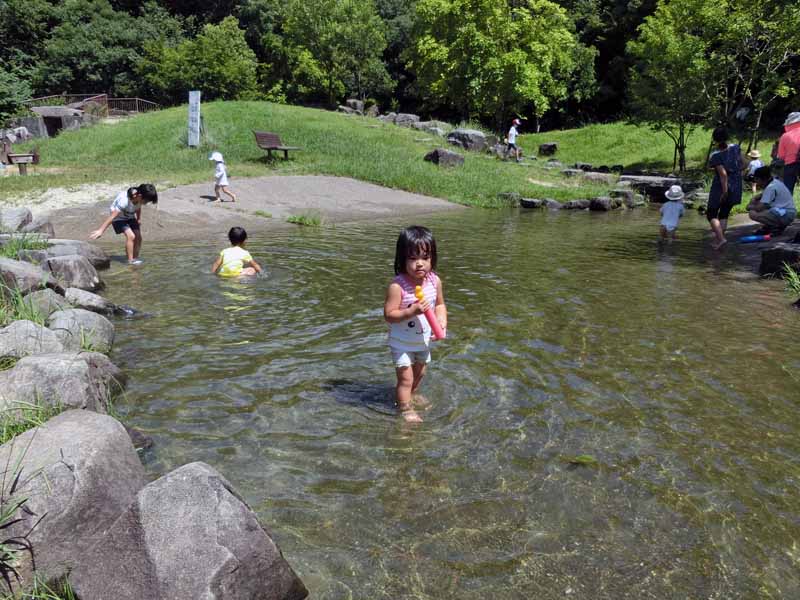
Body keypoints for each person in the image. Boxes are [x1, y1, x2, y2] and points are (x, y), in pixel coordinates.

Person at [383, 226, 447, 423]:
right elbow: (389, 315)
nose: (420, 264)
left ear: (432, 258)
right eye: (412, 258)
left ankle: (412, 394)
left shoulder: (434, 281)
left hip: (423, 341)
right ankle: (405, 409)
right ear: (402, 259)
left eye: (425, 258)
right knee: (406, 379)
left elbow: (440, 304)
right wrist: (411, 311)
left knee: (420, 374)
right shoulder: (398, 286)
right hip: (402, 342)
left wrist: (442, 321)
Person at [88, 184, 158, 265]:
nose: (146, 203)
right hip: (118, 218)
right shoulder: (124, 201)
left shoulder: (139, 199)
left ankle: (135, 257)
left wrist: (138, 219)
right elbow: (112, 217)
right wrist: (101, 230)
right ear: (139, 196)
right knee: (131, 236)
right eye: (146, 201)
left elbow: (138, 208)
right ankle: (130, 261)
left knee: (138, 237)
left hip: (130, 216)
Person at [706, 127, 744, 249]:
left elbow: (723, 174)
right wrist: (736, 173)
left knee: (711, 213)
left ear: (714, 139)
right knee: (724, 213)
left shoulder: (715, 155)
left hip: (721, 187)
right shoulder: (735, 148)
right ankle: (719, 240)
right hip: (736, 183)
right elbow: (743, 164)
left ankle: (721, 239)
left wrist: (725, 191)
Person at [746, 166, 797, 235]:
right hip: (788, 213)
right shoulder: (774, 182)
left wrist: (749, 206)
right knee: (761, 205)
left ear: (762, 179)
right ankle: (770, 226)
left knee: (752, 213)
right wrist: (756, 198)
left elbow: (759, 207)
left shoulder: (770, 188)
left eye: (757, 179)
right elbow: (762, 199)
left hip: (786, 214)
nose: (756, 182)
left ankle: (776, 227)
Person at [777, 112, 800, 195]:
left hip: (790, 165)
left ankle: (787, 207)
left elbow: (781, 156)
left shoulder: (785, 136)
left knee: (788, 190)